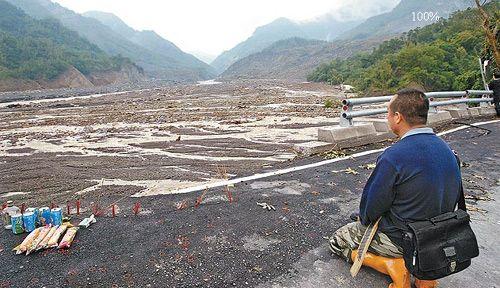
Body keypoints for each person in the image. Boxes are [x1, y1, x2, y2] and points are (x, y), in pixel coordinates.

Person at [329, 88, 462, 288]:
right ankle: (426, 275)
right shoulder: (448, 151)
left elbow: (371, 208)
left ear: (398, 117)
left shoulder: (394, 157)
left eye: (388, 113)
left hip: (404, 240)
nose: (387, 117)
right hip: (439, 237)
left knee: (338, 240)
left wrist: (363, 220)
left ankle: (391, 264)